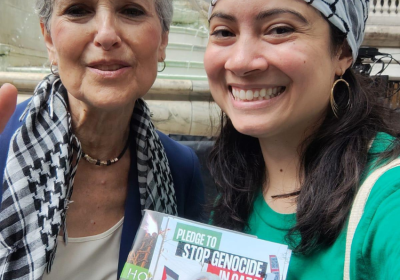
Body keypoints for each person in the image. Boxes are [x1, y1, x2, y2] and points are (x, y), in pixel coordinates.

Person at [0, 0, 205, 279]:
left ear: (163, 41)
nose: (107, 35)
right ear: (49, 39)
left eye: (132, 11)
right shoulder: (3, 144)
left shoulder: (180, 170)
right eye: (78, 10)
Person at [205, 0, 400, 279]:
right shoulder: (239, 180)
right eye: (224, 32)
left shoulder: (388, 197)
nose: (240, 61)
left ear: (343, 52)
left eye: (280, 29)